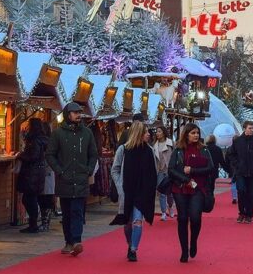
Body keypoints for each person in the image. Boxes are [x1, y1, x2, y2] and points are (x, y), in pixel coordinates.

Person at [45, 101, 98, 257]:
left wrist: (88, 170)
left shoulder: (87, 133)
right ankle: (68, 241)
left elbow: (94, 153)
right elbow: (50, 154)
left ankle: (76, 241)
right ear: (68, 114)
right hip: (65, 179)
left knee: (77, 211)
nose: (78, 115)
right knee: (67, 213)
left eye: (79, 112)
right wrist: (59, 170)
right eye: (75, 113)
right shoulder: (58, 133)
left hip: (81, 178)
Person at [110, 121, 158, 262]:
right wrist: (120, 185)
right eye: (146, 132)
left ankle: (133, 249)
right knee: (128, 222)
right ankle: (130, 243)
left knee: (138, 220)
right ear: (138, 133)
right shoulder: (123, 150)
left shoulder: (149, 151)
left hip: (141, 192)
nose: (149, 134)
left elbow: (153, 172)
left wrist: (151, 189)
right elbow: (115, 169)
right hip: (127, 191)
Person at [168, 123, 212, 262]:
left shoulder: (204, 150)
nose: (196, 135)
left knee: (195, 217)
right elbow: (171, 169)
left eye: (197, 133)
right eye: (193, 133)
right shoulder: (178, 150)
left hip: (198, 188)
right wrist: (185, 179)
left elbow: (210, 168)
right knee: (182, 218)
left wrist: (193, 171)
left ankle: (193, 241)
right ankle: (184, 250)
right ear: (186, 134)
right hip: (180, 187)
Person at [227, 121, 253, 223]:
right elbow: (231, 154)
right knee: (241, 192)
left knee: (251, 194)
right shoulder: (238, 141)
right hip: (241, 172)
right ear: (244, 129)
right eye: (250, 128)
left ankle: (249, 214)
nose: (252, 130)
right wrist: (237, 164)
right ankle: (241, 213)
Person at [16, 118, 49, 233]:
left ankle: (33, 224)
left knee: (28, 198)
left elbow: (33, 156)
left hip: (32, 173)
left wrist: (21, 155)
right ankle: (33, 223)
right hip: (38, 173)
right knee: (31, 198)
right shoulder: (42, 139)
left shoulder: (34, 140)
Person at [151, 125, 177, 220]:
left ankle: (170, 206)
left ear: (164, 132)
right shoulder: (154, 146)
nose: (157, 133)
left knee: (170, 192)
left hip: (170, 171)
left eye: (159, 131)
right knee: (161, 192)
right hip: (160, 171)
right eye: (156, 131)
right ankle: (163, 212)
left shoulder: (171, 144)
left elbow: (176, 156)